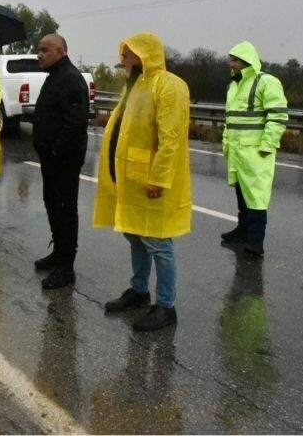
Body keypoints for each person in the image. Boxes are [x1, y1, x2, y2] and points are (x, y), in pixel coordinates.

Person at [95, 32, 191, 331]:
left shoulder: (168, 85)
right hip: (130, 178)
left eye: (127, 55)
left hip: (153, 180)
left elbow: (171, 138)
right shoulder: (134, 86)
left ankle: (166, 306)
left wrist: (159, 178)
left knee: (159, 242)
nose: (122, 60)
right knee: (135, 234)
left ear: (142, 55)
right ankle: (139, 290)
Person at [219, 41, 288, 256]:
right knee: (242, 192)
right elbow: (230, 119)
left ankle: (256, 240)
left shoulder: (266, 82)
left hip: (256, 151)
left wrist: (267, 145)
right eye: (231, 59)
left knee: (256, 196)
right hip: (238, 150)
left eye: (236, 60)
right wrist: (227, 144)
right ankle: (243, 231)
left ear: (247, 61)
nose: (232, 64)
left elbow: (278, 116)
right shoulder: (234, 85)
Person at [32, 34, 89, 289]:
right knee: (53, 206)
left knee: (65, 210)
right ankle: (58, 253)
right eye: (39, 50)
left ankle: (66, 267)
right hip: (51, 159)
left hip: (63, 160)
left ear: (61, 51)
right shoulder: (55, 75)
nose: (39, 55)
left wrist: (55, 151)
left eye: (45, 50)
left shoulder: (70, 78)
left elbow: (75, 121)